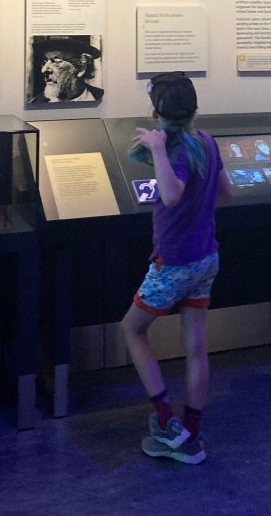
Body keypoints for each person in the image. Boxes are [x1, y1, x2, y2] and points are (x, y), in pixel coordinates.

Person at [121, 72, 233, 465]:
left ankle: (168, 422)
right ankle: (191, 436)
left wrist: (156, 148)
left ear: (157, 112)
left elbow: (170, 195)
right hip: (205, 258)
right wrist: (195, 214)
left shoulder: (176, 150)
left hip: (174, 263)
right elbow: (226, 193)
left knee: (132, 329)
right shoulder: (207, 141)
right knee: (196, 347)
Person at [28, 36, 104, 104]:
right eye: (44, 62)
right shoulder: (35, 104)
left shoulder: (103, 99)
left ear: (81, 67)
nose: (44, 70)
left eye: (56, 62)